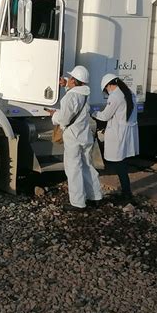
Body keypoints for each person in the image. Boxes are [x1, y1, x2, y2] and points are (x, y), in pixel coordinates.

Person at [46, 65, 103, 212]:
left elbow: (64, 119)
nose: (68, 79)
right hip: (85, 135)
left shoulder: (70, 97)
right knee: (87, 166)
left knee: (73, 169)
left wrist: (54, 115)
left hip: (73, 137)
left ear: (74, 80)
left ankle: (77, 203)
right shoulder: (85, 94)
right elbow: (77, 96)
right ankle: (95, 196)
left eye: (70, 78)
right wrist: (66, 83)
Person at [91, 74, 139, 205]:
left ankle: (126, 194)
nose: (107, 92)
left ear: (108, 85)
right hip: (126, 133)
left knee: (119, 165)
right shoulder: (129, 92)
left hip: (118, 134)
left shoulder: (115, 96)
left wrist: (92, 112)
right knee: (122, 164)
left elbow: (105, 116)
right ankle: (126, 192)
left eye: (106, 89)